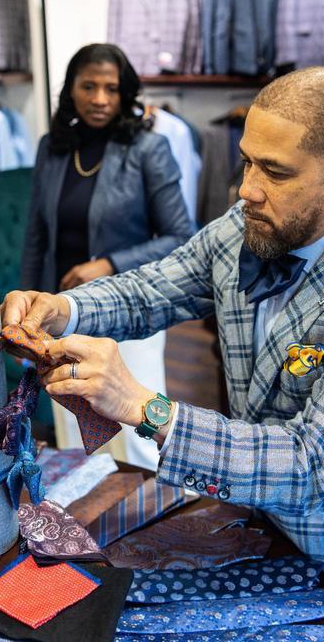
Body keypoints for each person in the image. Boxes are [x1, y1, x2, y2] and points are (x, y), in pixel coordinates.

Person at [4, 67, 324, 641]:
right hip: (257, 539)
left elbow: (312, 465)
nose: (247, 187)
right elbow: (151, 289)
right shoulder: (248, 226)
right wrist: (62, 308)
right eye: (248, 160)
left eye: (276, 171)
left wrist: (146, 407)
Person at [20, 43, 193, 467]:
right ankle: (85, 524)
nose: (100, 99)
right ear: (71, 90)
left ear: (125, 93)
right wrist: (29, 304)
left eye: (111, 89)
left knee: (137, 438)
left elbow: (180, 236)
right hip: (66, 312)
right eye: (89, 86)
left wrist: (108, 264)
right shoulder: (53, 149)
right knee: (77, 431)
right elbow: (38, 233)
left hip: (131, 309)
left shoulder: (148, 150)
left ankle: (153, 520)